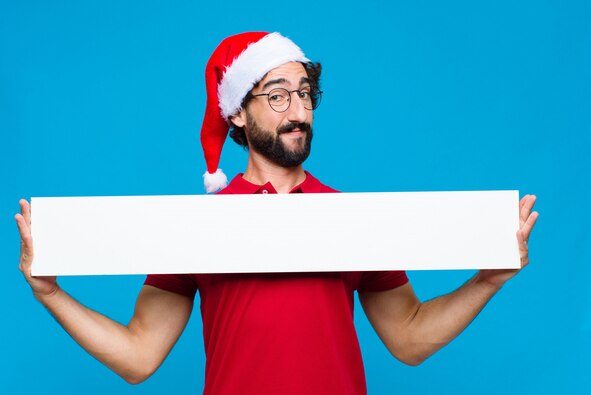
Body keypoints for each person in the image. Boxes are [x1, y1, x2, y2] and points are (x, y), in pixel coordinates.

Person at [15, 32, 539, 394]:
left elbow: (408, 337)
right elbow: (138, 356)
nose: (300, 110)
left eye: (306, 94)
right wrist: (51, 294)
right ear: (239, 111)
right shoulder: (197, 228)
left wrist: (488, 280)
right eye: (279, 95)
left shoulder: (350, 217)